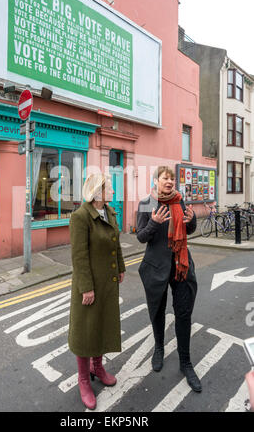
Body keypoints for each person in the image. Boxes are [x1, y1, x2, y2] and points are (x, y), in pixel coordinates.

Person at [136, 166, 202, 393]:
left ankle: (186, 362)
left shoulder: (179, 201)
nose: (170, 181)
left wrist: (192, 220)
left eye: (172, 178)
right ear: (156, 181)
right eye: (165, 178)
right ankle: (158, 348)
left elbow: (188, 228)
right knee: (157, 310)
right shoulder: (146, 203)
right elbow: (141, 237)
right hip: (156, 267)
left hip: (180, 266)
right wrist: (154, 222)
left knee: (183, 312)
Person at [68, 173, 126, 410]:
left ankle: (97, 367)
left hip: (108, 283)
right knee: (86, 331)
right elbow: (79, 257)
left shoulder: (109, 212)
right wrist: (86, 288)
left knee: (102, 325)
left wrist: (121, 267)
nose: (113, 191)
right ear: (98, 192)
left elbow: (116, 243)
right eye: (110, 188)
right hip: (90, 285)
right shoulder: (80, 217)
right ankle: (83, 379)